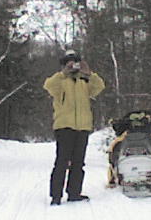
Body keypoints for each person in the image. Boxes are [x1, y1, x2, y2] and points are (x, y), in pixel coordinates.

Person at [43, 50, 105, 205]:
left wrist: (89, 73)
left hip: (82, 127)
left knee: (78, 162)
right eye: (69, 63)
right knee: (62, 162)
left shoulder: (84, 82)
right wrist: (64, 73)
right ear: (64, 64)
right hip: (64, 126)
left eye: (75, 62)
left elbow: (100, 86)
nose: (73, 66)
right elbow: (48, 85)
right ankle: (56, 196)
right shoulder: (60, 82)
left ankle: (74, 193)